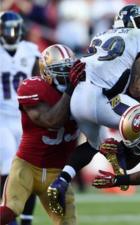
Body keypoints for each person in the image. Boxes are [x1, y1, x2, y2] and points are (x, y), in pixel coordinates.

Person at [47, 4, 140, 215]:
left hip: (78, 97)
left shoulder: (102, 35)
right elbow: (137, 91)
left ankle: (61, 180)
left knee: (94, 144)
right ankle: (122, 163)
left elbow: (121, 87)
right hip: (104, 99)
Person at [0, 44, 85, 225]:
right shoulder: (32, 88)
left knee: (66, 222)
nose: (65, 74)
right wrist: (70, 91)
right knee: (9, 210)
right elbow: (51, 121)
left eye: (68, 69)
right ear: (46, 72)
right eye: (59, 70)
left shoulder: (83, 91)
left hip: (57, 178)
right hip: (27, 167)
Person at [0, 11, 39, 225]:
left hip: (26, 118)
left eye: (14, 29)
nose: (11, 34)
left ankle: (26, 219)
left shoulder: (31, 51)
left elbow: (39, 80)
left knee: (29, 171)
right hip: (2, 118)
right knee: (7, 170)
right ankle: (8, 218)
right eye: (7, 29)